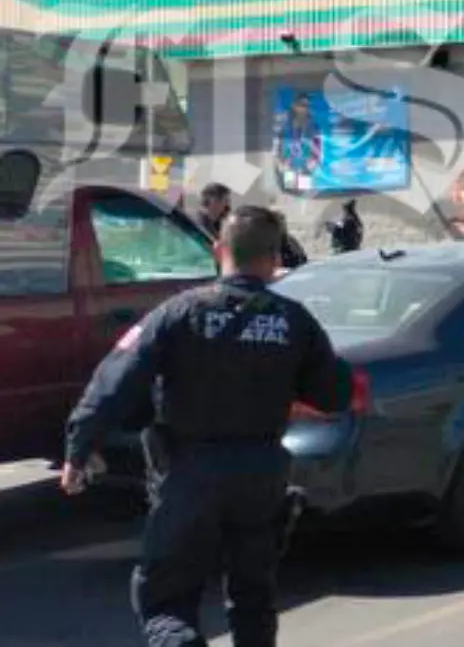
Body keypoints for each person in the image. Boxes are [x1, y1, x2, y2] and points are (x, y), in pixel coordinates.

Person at [60, 206, 353, 647]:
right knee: (253, 597)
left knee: (166, 603)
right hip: (261, 476)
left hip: (188, 475)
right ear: (275, 259)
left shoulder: (179, 312)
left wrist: (78, 449)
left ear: (218, 251)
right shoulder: (295, 321)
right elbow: (335, 395)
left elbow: (113, 382)